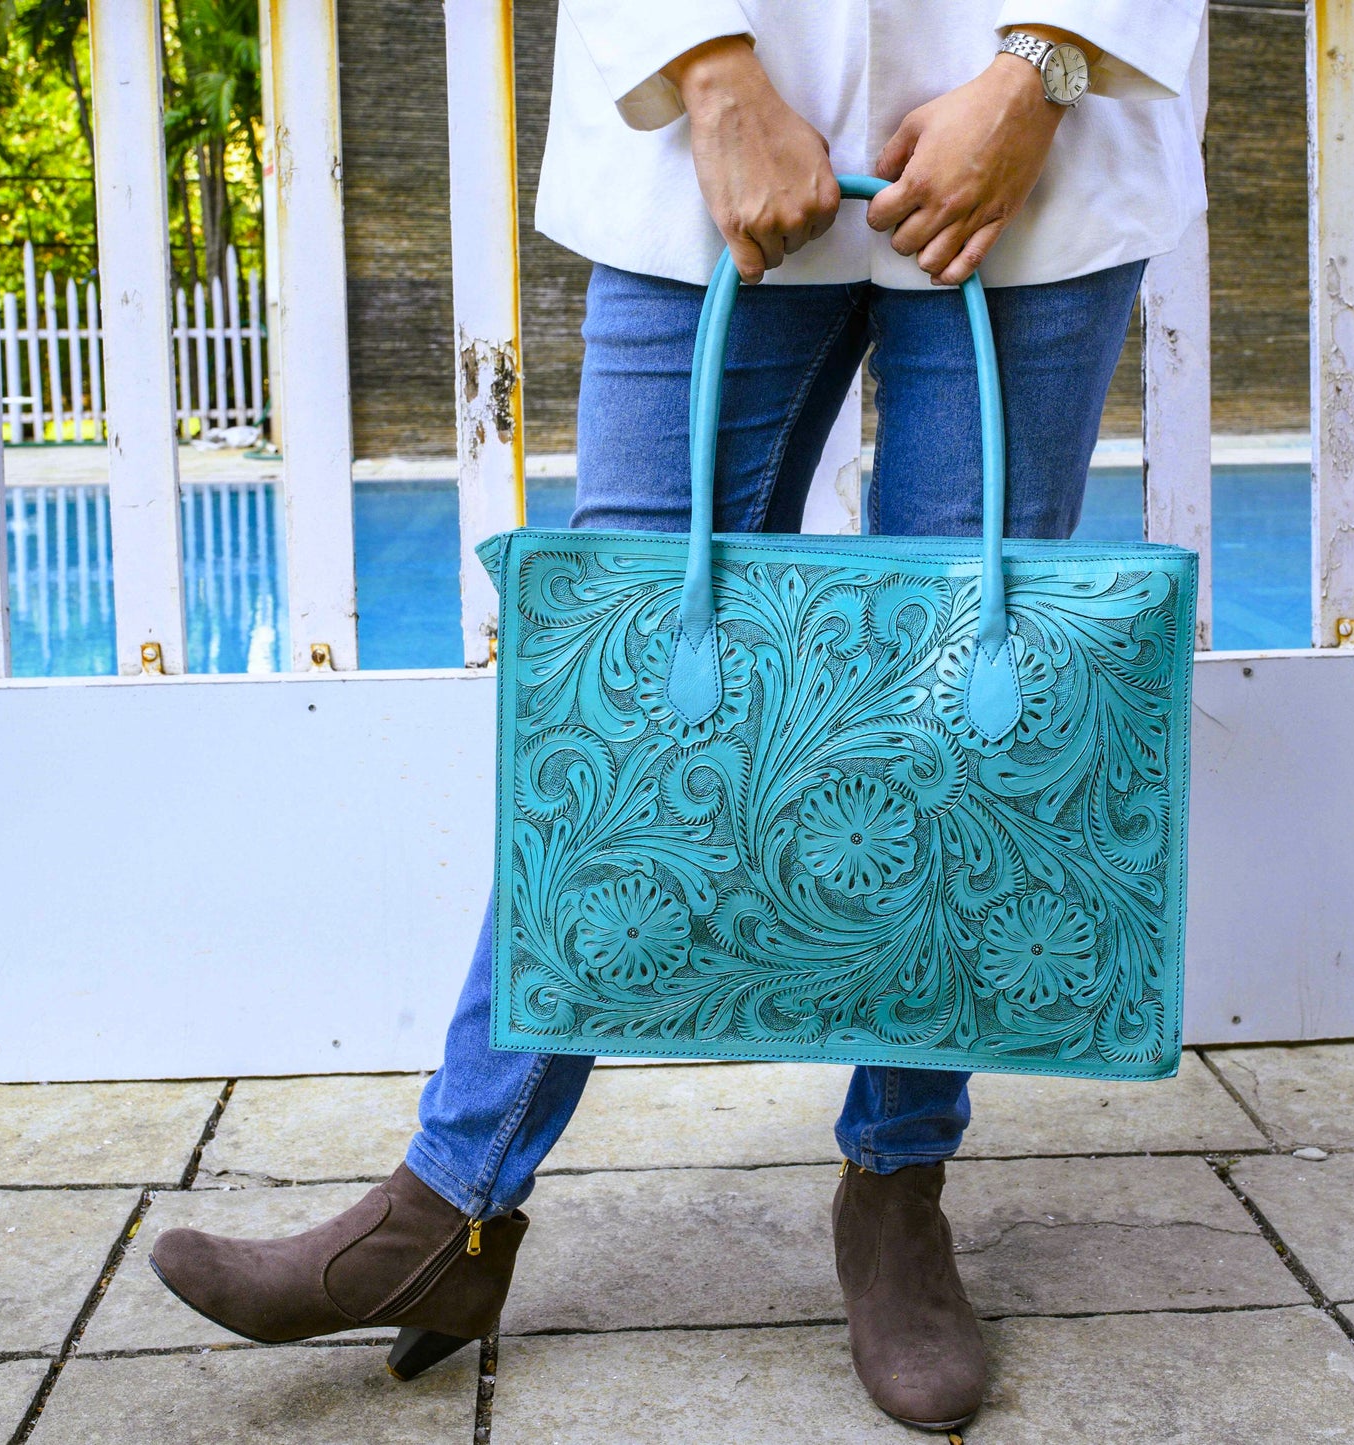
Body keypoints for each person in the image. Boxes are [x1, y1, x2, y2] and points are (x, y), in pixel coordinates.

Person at [147, 3, 1206, 1431]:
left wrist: (1042, 66)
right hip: (706, 129)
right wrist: (706, 65)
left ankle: (897, 1186)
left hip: (1032, 137)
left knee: (957, 727)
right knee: (621, 703)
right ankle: (448, 1207)